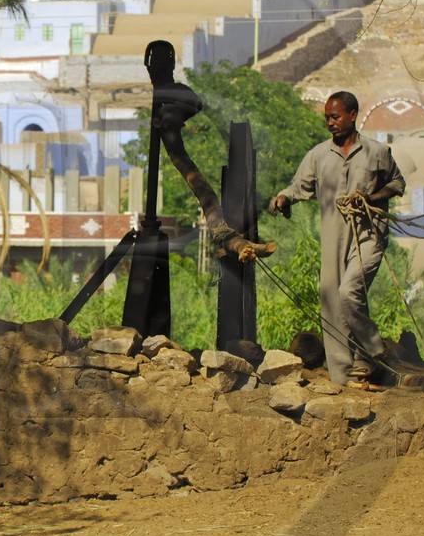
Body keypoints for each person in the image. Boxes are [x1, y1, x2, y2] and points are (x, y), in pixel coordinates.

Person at [268, 91, 405, 388]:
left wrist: (373, 197)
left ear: (353, 115)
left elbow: (397, 183)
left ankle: (372, 348)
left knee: (349, 292)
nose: (330, 122)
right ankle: (346, 374)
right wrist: (282, 199)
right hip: (333, 237)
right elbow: (298, 187)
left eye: (336, 116)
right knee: (332, 299)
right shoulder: (318, 155)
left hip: (368, 236)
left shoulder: (377, 152)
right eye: (327, 118)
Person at [145, 40, 276, 262]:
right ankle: (229, 238)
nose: (158, 68)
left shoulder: (176, 92)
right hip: (176, 149)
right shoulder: (166, 97)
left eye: (161, 63)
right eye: (156, 63)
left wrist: (170, 111)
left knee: (205, 193)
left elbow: (196, 103)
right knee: (203, 191)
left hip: (177, 145)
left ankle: (229, 237)